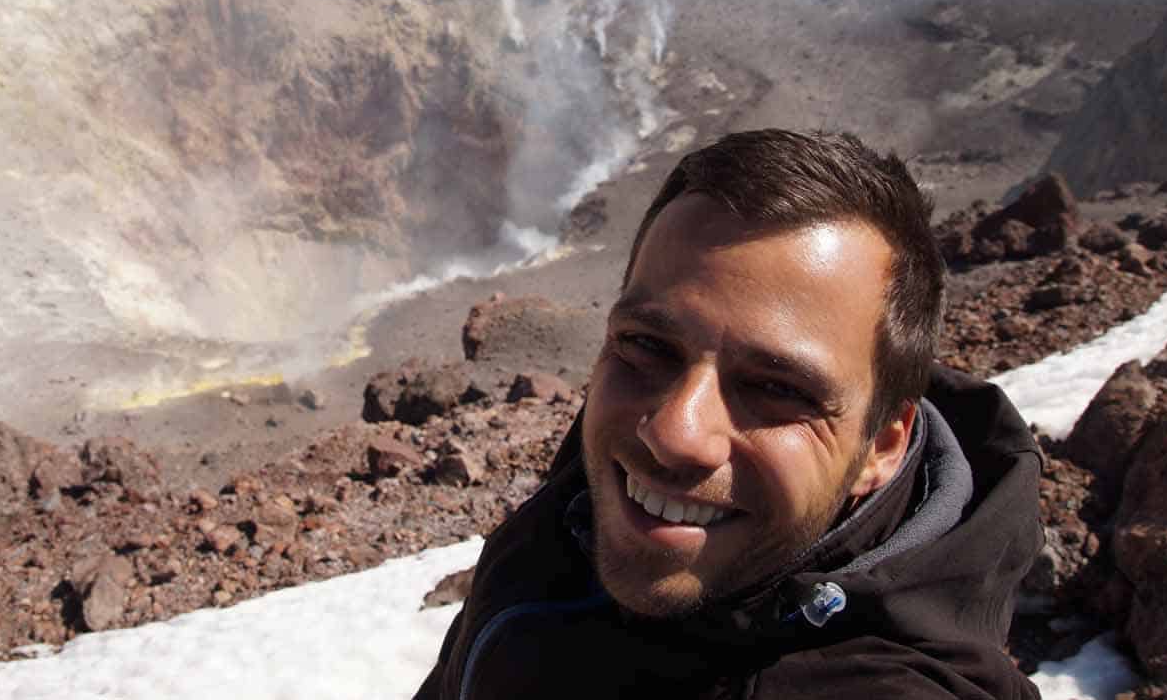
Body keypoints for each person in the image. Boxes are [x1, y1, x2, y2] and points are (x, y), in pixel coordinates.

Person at [414, 129, 1043, 700]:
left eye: (776, 388)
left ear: (881, 445)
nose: (672, 433)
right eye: (647, 345)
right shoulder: (561, 526)